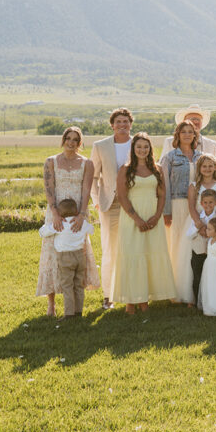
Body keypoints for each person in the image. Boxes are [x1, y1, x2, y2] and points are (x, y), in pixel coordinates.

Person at [111, 132, 176, 313]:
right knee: (133, 254)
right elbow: (122, 196)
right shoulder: (125, 169)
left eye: (146, 147)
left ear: (150, 149)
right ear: (133, 149)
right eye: (139, 147)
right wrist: (137, 218)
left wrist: (157, 216)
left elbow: (162, 194)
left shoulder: (158, 169)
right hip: (132, 218)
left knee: (150, 253)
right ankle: (131, 302)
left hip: (153, 216)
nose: (142, 150)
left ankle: (145, 298)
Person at [38, 127, 99, 317]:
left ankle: (74, 303)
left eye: (75, 140)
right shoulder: (51, 162)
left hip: (78, 212)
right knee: (52, 253)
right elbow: (49, 189)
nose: (71, 142)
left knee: (77, 253)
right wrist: (55, 213)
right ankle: (51, 303)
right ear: (63, 140)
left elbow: (86, 190)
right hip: (56, 212)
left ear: (80, 143)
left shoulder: (87, 163)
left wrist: (82, 214)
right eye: (68, 138)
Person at [90, 107, 132, 309]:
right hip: (110, 204)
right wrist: (96, 199)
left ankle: (132, 292)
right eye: (119, 122)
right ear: (112, 125)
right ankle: (109, 295)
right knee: (110, 249)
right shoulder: (100, 146)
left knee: (133, 248)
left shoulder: (139, 144)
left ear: (131, 124)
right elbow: (92, 176)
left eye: (126, 122)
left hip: (134, 203)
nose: (122, 125)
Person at [161, 121, 200, 304]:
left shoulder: (200, 156)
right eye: (183, 131)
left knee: (193, 246)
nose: (187, 134)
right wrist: (167, 210)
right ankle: (175, 289)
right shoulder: (170, 157)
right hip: (177, 205)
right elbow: (164, 186)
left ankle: (194, 287)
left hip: (197, 207)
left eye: (190, 132)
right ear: (178, 135)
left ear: (195, 135)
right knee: (176, 245)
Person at [37, 198, 94, 317]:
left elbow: (42, 232)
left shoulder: (59, 224)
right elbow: (92, 230)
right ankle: (78, 311)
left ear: (60, 213)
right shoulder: (80, 223)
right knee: (78, 285)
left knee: (68, 286)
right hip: (79, 256)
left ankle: (69, 313)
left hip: (65, 258)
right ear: (76, 211)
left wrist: (49, 224)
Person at [186, 188, 216, 305]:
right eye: (205, 202)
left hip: (212, 255)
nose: (208, 205)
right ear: (201, 203)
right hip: (198, 253)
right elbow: (189, 236)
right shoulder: (197, 218)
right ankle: (197, 302)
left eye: (211, 202)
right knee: (197, 278)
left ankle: (211, 301)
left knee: (211, 278)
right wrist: (198, 227)